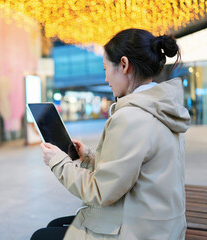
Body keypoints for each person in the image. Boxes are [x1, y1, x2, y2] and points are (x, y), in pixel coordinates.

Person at [31, 28, 191, 240]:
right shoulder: (161, 107)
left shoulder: (132, 117)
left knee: (42, 236)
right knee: (55, 226)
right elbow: (132, 168)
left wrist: (58, 162)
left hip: (140, 231)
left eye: (106, 68)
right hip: (159, 225)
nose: (106, 78)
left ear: (124, 65)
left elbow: (99, 192)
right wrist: (87, 156)